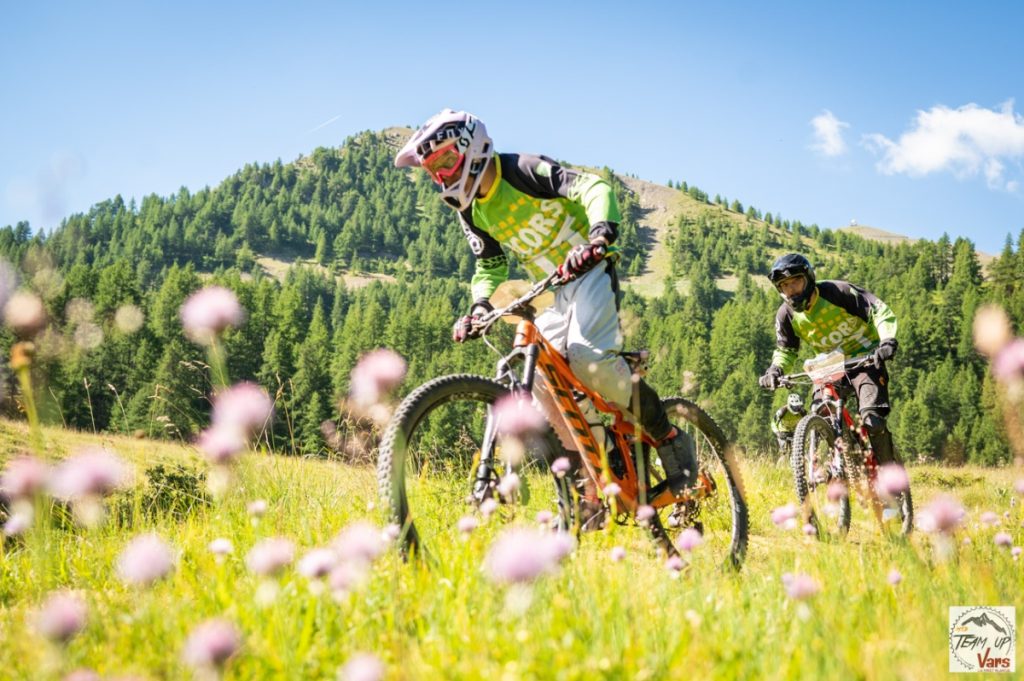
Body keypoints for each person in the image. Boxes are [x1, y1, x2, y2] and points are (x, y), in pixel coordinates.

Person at [394, 109, 697, 497]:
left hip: (589, 269)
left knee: (587, 358)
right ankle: (592, 483)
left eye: (446, 162)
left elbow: (593, 187)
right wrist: (480, 305)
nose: (444, 178)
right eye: (434, 172)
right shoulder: (471, 210)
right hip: (550, 290)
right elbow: (489, 264)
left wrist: (599, 237)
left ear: (472, 147)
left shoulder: (521, 170)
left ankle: (669, 438)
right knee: (543, 383)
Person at [758, 253, 900, 465]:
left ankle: (890, 473)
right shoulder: (786, 315)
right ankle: (844, 464)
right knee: (821, 414)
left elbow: (878, 310)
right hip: (829, 366)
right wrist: (775, 369)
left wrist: (887, 340)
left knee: (872, 421)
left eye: (795, 282)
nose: (791, 290)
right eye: (784, 286)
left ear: (809, 279)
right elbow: (786, 350)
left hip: (866, 360)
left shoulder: (837, 292)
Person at [772, 393, 806, 460]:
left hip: (795, 432)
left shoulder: (802, 412)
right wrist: (778, 433)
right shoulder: (782, 411)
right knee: (784, 452)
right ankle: (781, 463)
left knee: (797, 452)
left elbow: (806, 422)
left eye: (798, 406)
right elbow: (773, 423)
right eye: (795, 407)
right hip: (783, 432)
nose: (797, 409)